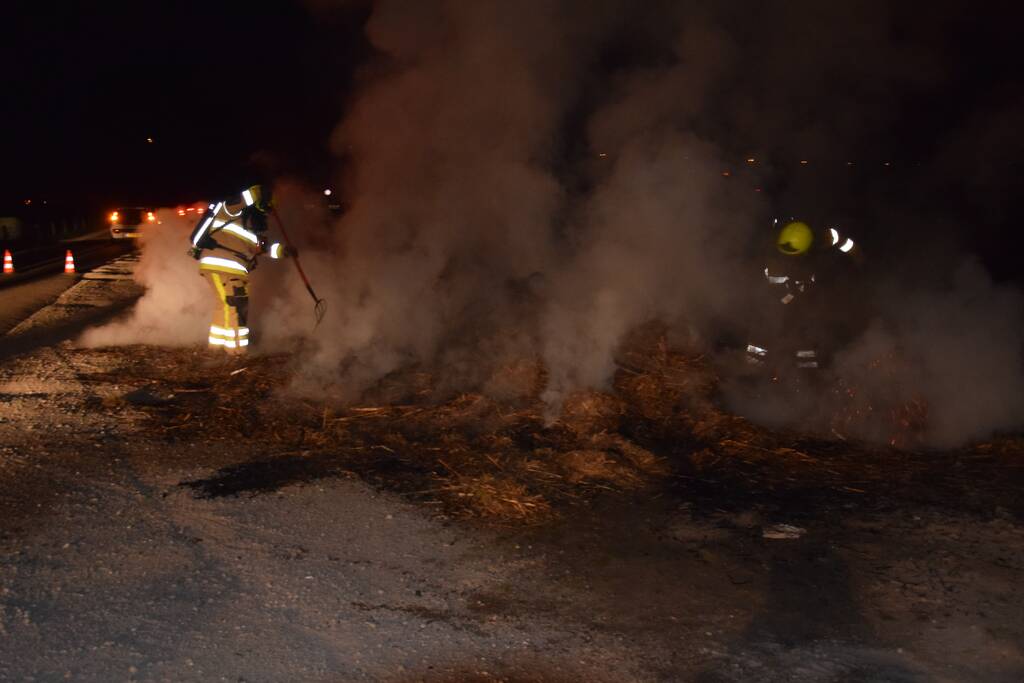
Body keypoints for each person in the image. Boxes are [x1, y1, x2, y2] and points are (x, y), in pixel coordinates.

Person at [187, 184, 295, 354]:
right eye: (266, 209)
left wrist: (283, 251)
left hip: (231, 269)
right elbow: (244, 199)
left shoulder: (252, 227)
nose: (266, 214)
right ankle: (236, 351)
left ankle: (216, 348)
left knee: (225, 305)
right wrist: (260, 192)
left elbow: (260, 250)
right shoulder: (234, 210)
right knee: (236, 306)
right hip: (222, 266)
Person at [744, 217, 860, 372]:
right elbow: (777, 294)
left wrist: (855, 254)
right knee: (762, 334)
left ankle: (806, 377)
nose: (787, 256)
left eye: (792, 254)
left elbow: (839, 241)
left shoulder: (817, 245)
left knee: (803, 340)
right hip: (774, 302)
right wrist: (787, 296)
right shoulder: (774, 253)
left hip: (802, 305)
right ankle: (752, 372)